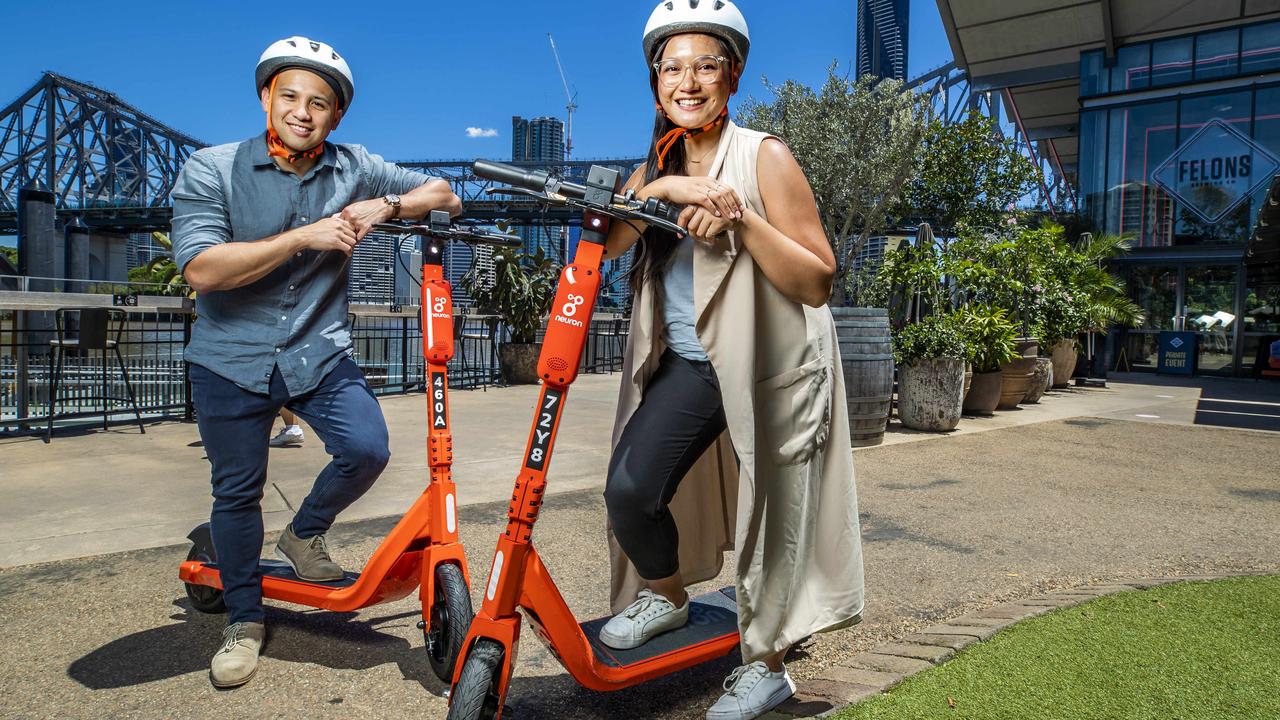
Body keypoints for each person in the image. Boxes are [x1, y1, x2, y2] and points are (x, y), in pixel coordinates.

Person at [596, 3, 865, 718]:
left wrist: (742, 218)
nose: (688, 81)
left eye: (705, 65)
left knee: (771, 516)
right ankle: (669, 597)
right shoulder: (656, 164)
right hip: (693, 364)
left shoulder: (764, 155)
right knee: (630, 490)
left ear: (732, 76)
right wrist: (663, 189)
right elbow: (603, 246)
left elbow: (816, 280)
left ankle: (768, 664)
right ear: (656, 83)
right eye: (672, 67)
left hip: (771, 365)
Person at [170, 35, 462, 689]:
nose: (303, 112)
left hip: (317, 353)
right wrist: (305, 234)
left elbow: (448, 194)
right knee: (237, 492)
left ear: (336, 116)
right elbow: (201, 269)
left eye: (320, 103)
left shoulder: (355, 167)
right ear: (265, 97)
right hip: (228, 359)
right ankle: (244, 622)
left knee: (367, 447)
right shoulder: (211, 168)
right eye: (291, 96)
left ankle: (304, 535)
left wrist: (386, 204)